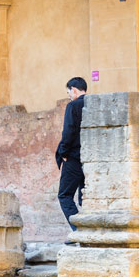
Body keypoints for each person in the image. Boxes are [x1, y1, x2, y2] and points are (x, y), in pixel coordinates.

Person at [55, 76, 88, 231]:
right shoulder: (92, 103)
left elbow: (68, 131)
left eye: (69, 92)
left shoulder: (73, 106)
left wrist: (63, 152)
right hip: (90, 158)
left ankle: (78, 230)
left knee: (64, 195)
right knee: (86, 197)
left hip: (73, 157)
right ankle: (90, 229)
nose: (69, 96)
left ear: (74, 90)